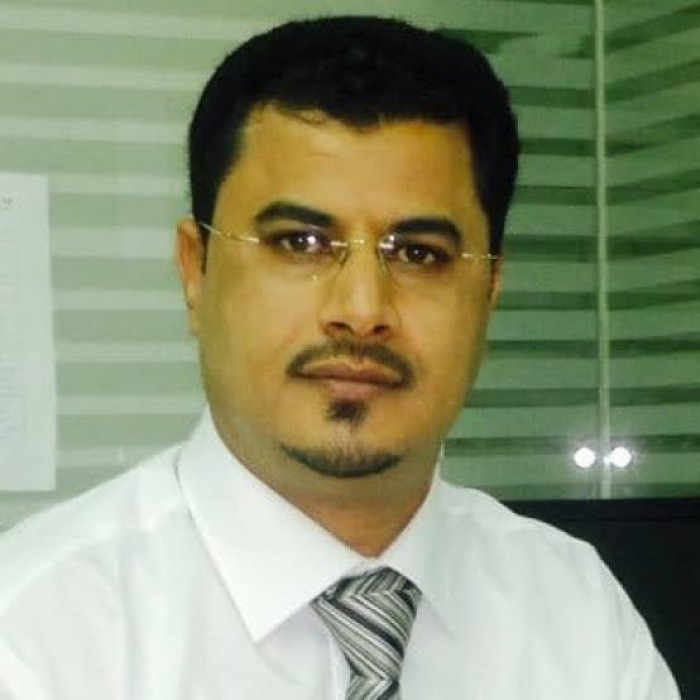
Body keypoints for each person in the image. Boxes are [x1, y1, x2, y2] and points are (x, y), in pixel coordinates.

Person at [0, 16, 679, 699]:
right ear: (195, 271)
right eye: (299, 243)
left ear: (490, 288)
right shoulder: (36, 633)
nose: (361, 308)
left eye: (419, 254)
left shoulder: (574, 612)